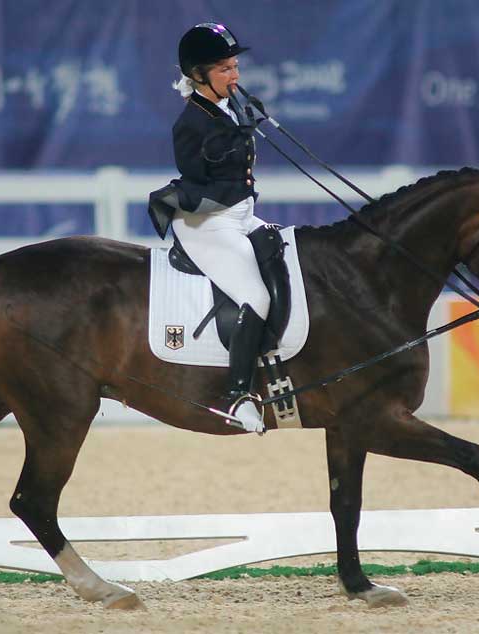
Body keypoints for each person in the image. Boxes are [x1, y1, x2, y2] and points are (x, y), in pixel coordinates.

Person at [148, 22, 270, 434]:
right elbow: (202, 183)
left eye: (235, 66)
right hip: (207, 222)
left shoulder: (229, 105)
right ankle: (237, 396)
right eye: (224, 69)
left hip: (238, 214)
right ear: (198, 75)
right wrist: (236, 140)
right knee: (255, 296)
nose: (234, 75)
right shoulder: (191, 123)